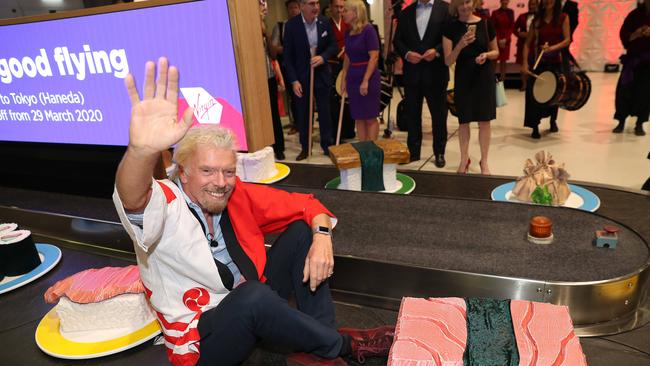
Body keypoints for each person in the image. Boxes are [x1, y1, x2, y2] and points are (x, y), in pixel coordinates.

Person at [113, 58, 394, 366]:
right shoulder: (166, 200)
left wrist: (323, 236)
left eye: (228, 171)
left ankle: (318, 349)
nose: (220, 183)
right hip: (203, 337)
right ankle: (344, 345)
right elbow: (134, 198)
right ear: (183, 172)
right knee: (252, 298)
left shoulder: (235, 193)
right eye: (207, 171)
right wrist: (140, 152)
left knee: (303, 234)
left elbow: (307, 205)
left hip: (252, 302)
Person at [443, 0, 499, 175]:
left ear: (473, 2)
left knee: (484, 121)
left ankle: (484, 161)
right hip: (463, 78)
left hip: (484, 77)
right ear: (455, 6)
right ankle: (464, 159)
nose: (465, 7)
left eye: (467, 2)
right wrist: (460, 45)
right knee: (464, 121)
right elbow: (448, 60)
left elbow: (496, 51)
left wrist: (486, 55)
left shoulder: (486, 23)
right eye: (461, 4)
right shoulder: (450, 27)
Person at [394, 0, 451, 167]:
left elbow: (451, 36)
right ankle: (413, 151)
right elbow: (398, 41)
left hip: (436, 72)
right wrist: (406, 54)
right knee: (412, 114)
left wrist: (438, 51)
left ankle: (439, 152)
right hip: (412, 73)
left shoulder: (445, 9)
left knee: (439, 115)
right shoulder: (406, 12)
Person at [283, 0, 338, 160]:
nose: (315, 7)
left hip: (322, 75)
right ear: (301, 6)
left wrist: (323, 57)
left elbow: (333, 46)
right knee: (303, 113)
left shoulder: (324, 22)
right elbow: (288, 57)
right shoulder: (292, 26)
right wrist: (293, 80)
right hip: (301, 78)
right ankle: (305, 147)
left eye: (317, 3)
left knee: (325, 112)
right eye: (311, 3)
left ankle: (327, 145)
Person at [521, 0, 570, 139]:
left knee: (554, 94)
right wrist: (524, 63)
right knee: (533, 95)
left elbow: (567, 40)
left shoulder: (563, 17)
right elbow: (527, 44)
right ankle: (534, 126)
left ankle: (552, 120)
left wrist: (551, 48)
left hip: (555, 62)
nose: (548, 1)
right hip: (538, 63)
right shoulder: (536, 20)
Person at [340, 0, 381, 141]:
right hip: (353, 76)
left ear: (356, 12)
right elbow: (348, 56)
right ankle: (363, 151)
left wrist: (365, 81)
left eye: (345, 10)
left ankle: (372, 151)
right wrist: (344, 77)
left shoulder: (368, 30)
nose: (342, 12)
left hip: (368, 76)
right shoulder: (348, 32)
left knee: (369, 117)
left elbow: (374, 57)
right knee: (358, 117)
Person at [612, 1, 650, 136]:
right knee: (624, 92)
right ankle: (621, 121)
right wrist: (637, 33)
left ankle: (639, 123)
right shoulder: (634, 15)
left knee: (645, 94)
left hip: (648, 63)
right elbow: (624, 35)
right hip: (632, 61)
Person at [272, 0, 303, 136]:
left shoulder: (305, 24)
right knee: (292, 96)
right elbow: (273, 47)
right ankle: (296, 123)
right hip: (287, 66)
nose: (293, 10)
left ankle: (307, 122)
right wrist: (288, 50)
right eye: (291, 8)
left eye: (296, 7)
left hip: (304, 66)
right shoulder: (280, 26)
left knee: (307, 95)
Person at [260, 0, 286, 160]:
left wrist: (265, 33)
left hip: (268, 76)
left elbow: (274, 54)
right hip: (254, 80)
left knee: (274, 114)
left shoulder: (265, 29)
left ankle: (279, 147)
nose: (264, 9)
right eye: (261, 6)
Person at [328, 0, 356, 142]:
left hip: (348, 64)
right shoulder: (326, 24)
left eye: (342, 7)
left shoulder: (348, 24)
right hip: (333, 65)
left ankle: (348, 129)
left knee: (348, 97)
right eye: (336, 7)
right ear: (330, 7)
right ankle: (335, 132)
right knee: (335, 100)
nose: (339, 10)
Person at [514, 0, 539, 90]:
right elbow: (514, 28)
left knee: (535, 64)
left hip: (536, 44)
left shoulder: (540, 17)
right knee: (523, 64)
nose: (532, 6)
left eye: (534, 4)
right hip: (523, 44)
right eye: (531, 4)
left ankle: (534, 85)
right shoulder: (522, 16)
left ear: (537, 5)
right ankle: (524, 84)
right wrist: (520, 34)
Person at [491, 0, 515, 81]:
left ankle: (502, 80)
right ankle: (491, 79)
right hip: (496, 39)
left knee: (503, 61)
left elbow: (511, 27)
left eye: (506, 0)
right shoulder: (495, 13)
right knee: (494, 60)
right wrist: (498, 40)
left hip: (506, 41)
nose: (505, 2)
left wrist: (506, 39)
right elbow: (492, 27)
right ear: (500, 1)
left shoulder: (511, 12)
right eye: (503, 0)